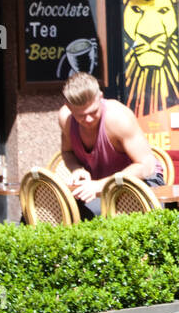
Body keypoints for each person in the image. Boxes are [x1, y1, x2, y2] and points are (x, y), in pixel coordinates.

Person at [57, 71, 163, 216]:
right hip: (98, 186)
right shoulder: (66, 119)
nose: (88, 119)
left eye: (93, 112)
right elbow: (67, 152)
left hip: (142, 183)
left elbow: (146, 166)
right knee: (57, 210)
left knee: (90, 212)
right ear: (68, 107)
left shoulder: (118, 118)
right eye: (80, 116)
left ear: (100, 97)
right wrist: (77, 169)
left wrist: (100, 185)